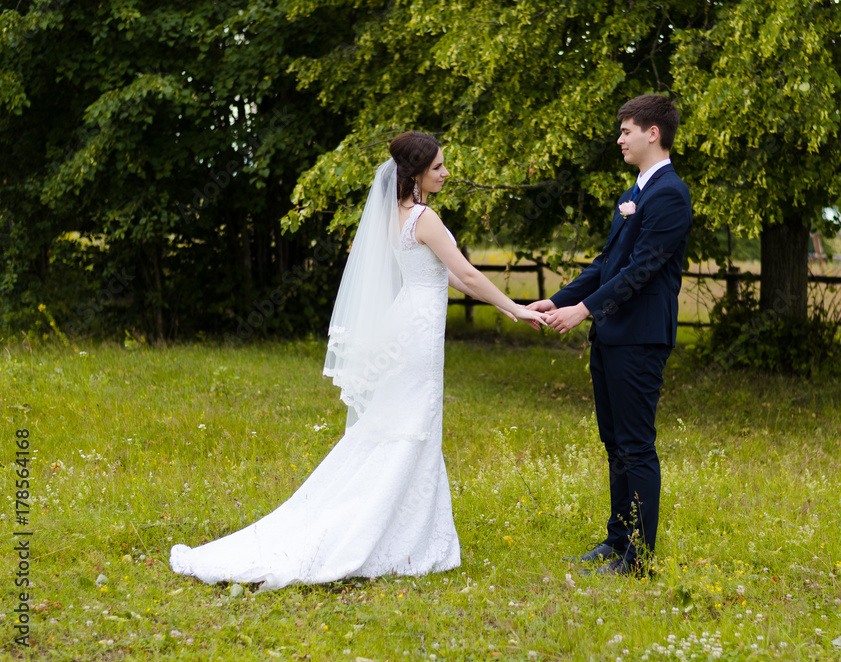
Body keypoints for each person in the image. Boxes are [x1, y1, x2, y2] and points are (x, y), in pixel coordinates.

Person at [170, 131, 545, 590]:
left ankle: (411, 535)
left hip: (409, 323)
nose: (446, 173)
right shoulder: (425, 217)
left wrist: (509, 307)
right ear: (416, 174)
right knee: (414, 423)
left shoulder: (397, 215)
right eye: (438, 167)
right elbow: (466, 271)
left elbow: (450, 277)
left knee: (403, 423)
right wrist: (517, 308)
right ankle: (395, 537)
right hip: (418, 333)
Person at [529, 94, 692, 576]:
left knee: (636, 446)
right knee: (614, 442)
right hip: (614, 334)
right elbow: (607, 264)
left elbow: (642, 271)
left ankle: (638, 559)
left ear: (653, 133)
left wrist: (583, 311)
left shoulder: (669, 193)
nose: (619, 138)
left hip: (640, 338)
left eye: (626, 130)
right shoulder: (637, 192)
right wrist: (559, 300)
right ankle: (618, 539)